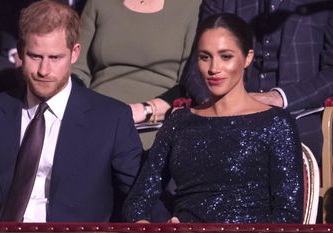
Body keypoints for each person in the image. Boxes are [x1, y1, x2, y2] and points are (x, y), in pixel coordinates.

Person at [0, 0, 142, 222]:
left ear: (75, 53)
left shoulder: (111, 120)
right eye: (35, 56)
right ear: (21, 52)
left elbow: (140, 198)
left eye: (55, 58)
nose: (43, 70)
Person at [123, 13, 304, 223]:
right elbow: (137, 202)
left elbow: (288, 215)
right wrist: (150, 226)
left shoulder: (276, 123)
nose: (213, 69)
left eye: (226, 56)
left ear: (248, 58)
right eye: (204, 57)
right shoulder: (180, 122)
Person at [134, 0, 333, 164]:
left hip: (296, 114)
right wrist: (228, 109)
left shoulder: (321, 5)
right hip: (224, 113)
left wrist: (278, 98)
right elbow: (196, 69)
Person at [71, 0, 201, 149]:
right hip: (95, 117)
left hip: (154, 125)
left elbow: (189, 83)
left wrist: (145, 110)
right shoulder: (99, 3)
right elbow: (78, 68)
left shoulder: (192, 7)